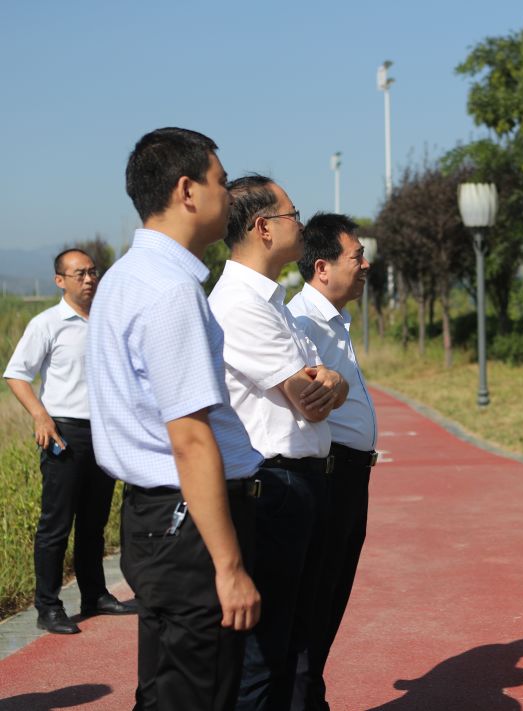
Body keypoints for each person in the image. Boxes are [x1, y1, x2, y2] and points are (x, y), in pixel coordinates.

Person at [87, 127, 264, 710]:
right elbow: (189, 438)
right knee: (199, 691)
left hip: (153, 517)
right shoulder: (168, 291)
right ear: (187, 191)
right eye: (220, 181)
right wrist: (230, 566)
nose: (228, 194)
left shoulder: (124, 278)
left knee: (168, 689)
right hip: (185, 524)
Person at [208, 175, 348, 710]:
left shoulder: (277, 304)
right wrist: (324, 384)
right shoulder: (240, 304)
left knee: (292, 643)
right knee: (264, 658)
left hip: (300, 482)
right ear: (264, 228)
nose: (301, 224)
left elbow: (328, 386)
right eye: (294, 214)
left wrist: (328, 383)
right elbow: (308, 395)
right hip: (274, 485)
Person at [4, 249, 135, 635]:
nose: (89, 279)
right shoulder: (47, 324)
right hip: (64, 432)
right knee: (55, 525)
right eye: (79, 274)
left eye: (93, 272)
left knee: (93, 523)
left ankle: (94, 594)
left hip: (104, 432)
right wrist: (40, 416)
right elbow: (16, 374)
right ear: (60, 280)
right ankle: (48, 605)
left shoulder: (109, 322)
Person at [287, 213, 378, 710]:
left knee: (331, 596)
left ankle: (310, 693)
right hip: (328, 474)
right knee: (314, 600)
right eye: (356, 256)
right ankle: (303, 698)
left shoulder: (333, 319)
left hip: (349, 474)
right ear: (322, 267)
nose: (366, 264)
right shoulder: (302, 321)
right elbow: (309, 401)